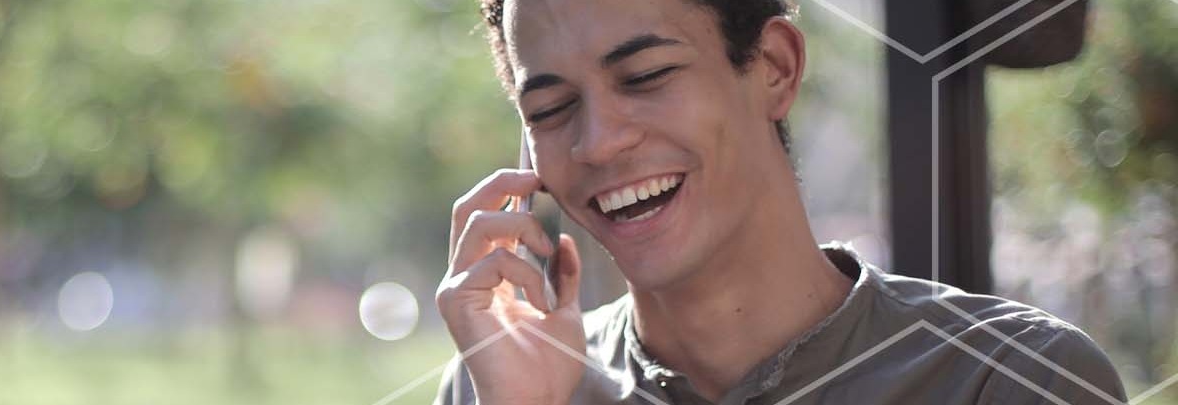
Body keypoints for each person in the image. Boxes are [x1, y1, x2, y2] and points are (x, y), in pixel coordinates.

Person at [432, 0, 1124, 404]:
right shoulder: (504, 381)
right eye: (552, 108)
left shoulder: (1011, 378)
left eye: (645, 76)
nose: (598, 143)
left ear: (775, 69)